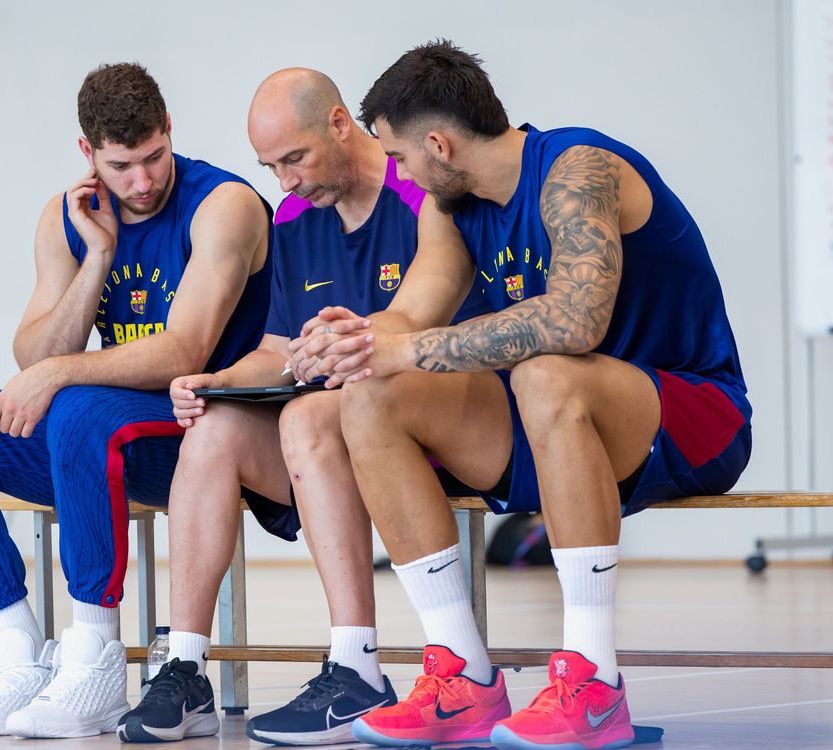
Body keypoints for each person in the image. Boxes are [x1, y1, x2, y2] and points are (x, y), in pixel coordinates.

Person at [291, 40, 752, 750]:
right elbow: (408, 322)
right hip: (556, 425)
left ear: (439, 144)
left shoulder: (578, 168)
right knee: (370, 397)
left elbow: (576, 320)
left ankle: (594, 682)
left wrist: (407, 346)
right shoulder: (449, 209)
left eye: (401, 157)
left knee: (545, 369)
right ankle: (462, 680)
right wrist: (350, 340)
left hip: (691, 415)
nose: (399, 173)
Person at [0, 62, 272, 739]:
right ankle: (19, 658)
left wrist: (62, 373)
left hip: (200, 430)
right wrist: (97, 257)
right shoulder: (68, 217)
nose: (143, 181)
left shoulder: (224, 205)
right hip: (92, 439)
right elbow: (34, 357)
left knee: (75, 405)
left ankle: (94, 656)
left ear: (170, 132)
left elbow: (184, 349)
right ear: (87, 154)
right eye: (122, 165)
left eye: (154, 157)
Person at [117, 68, 485, 745]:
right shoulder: (292, 217)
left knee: (310, 415)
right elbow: (279, 347)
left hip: (438, 421)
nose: (283, 182)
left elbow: (451, 334)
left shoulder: (421, 192)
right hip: (339, 437)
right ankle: (185, 668)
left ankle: (356, 666)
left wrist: (355, 348)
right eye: (271, 166)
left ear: (340, 125)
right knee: (213, 429)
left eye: (295, 159)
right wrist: (215, 380)